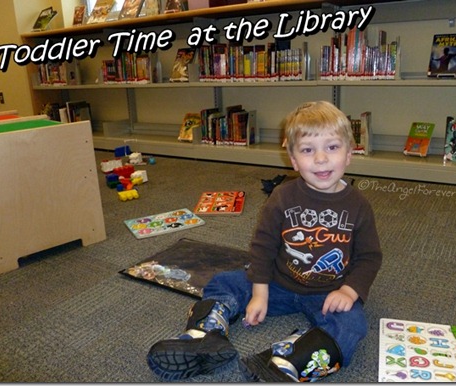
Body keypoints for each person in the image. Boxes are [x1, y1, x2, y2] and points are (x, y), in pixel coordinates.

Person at [147, 100, 383, 382]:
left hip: (328, 292)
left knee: (352, 325)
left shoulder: (358, 205)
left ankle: (287, 361)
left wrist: (350, 291)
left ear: (349, 154)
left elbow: (369, 256)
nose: (321, 159)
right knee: (225, 282)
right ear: (293, 159)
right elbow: (263, 247)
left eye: (332, 147)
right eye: (308, 150)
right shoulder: (282, 196)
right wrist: (260, 293)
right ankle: (204, 335)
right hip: (278, 283)